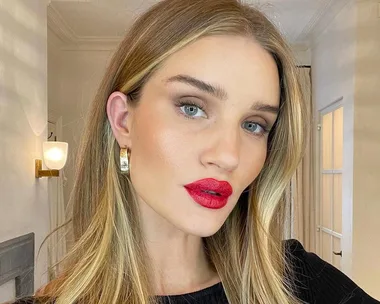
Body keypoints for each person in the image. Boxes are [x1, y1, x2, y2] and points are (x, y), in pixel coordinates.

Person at [12, 0, 379, 303]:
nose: (229, 155)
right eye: (192, 107)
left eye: (253, 124)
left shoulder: (301, 281)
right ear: (123, 121)